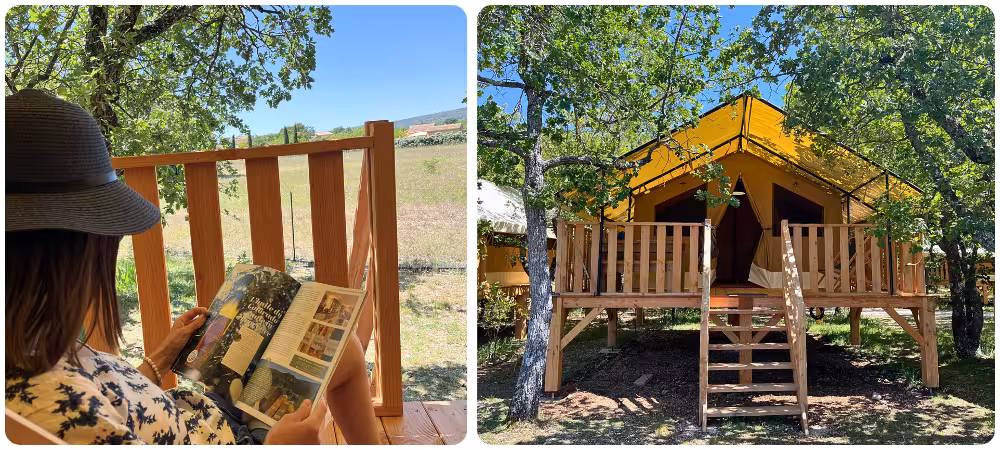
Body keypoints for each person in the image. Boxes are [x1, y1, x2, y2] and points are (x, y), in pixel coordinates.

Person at [4, 89, 381, 444]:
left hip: (196, 415)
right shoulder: (49, 409)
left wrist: (162, 356)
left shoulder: (27, 343)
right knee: (338, 358)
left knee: (341, 349)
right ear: (71, 254)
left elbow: (117, 403)